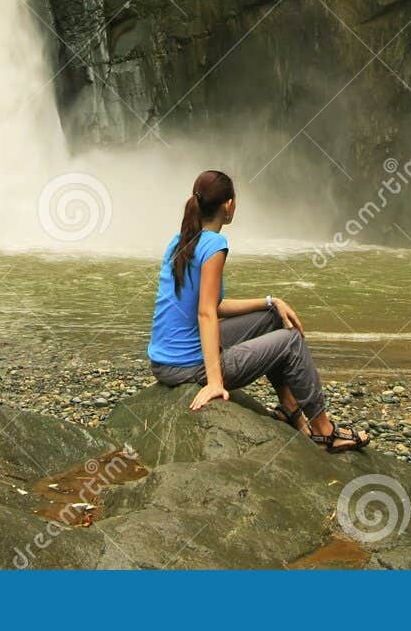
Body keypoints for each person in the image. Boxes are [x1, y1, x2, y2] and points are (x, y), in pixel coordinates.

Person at [147, 169, 370, 453]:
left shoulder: (179, 241)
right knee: (290, 341)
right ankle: (324, 431)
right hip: (187, 366)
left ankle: (290, 410)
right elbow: (206, 313)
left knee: (274, 317)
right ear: (229, 206)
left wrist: (269, 301)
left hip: (164, 362)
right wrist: (215, 381)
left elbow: (212, 305)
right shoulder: (215, 245)